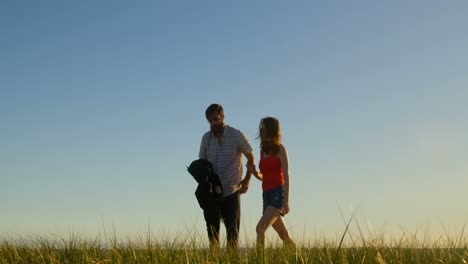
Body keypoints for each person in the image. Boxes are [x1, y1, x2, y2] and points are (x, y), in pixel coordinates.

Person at [199, 103, 255, 251]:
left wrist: (247, 180)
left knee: (232, 237)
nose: (213, 123)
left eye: (216, 119)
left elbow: (250, 157)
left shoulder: (236, 135)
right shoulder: (206, 138)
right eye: (210, 121)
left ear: (223, 117)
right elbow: (202, 163)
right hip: (212, 194)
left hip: (232, 191)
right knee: (213, 237)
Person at [248, 117, 295, 250]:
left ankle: (260, 260)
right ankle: (298, 255)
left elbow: (286, 175)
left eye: (263, 127)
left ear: (271, 129)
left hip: (277, 194)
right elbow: (265, 177)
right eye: (260, 127)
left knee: (260, 229)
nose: (261, 130)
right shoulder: (263, 151)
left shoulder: (280, 149)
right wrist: (254, 172)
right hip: (266, 195)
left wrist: (286, 201)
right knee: (283, 235)